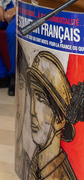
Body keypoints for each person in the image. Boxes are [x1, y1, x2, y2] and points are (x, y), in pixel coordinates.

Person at [25, 51, 76, 179]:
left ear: (60, 119)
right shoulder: (36, 164)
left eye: (41, 99)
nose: (32, 111)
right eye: (32, 96)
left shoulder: (61, 176)